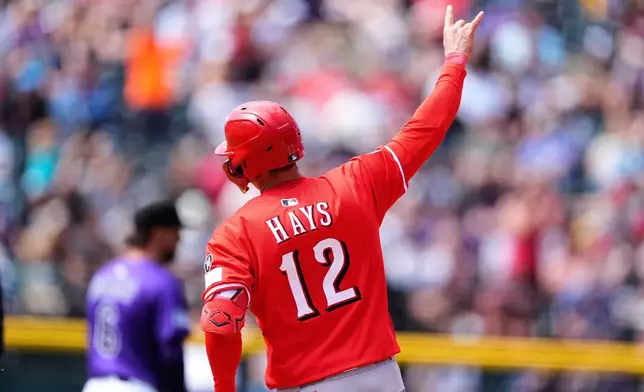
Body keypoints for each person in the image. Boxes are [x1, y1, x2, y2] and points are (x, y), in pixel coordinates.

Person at [200, 5, 484, 392]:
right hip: (380, 378)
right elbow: (425, 129)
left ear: (244, 163)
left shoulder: (235, 234)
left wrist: (222, 387)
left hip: (305, 383)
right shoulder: (354, 184)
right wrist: (454, 61)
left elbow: (220, 320)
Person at [83, 201, 190, 392]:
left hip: (95, 385)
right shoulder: (162, 282)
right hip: (137, 385)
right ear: (158, 233)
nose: (179, 240)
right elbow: (170, 353)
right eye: (175, 232)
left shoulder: (102, 276)